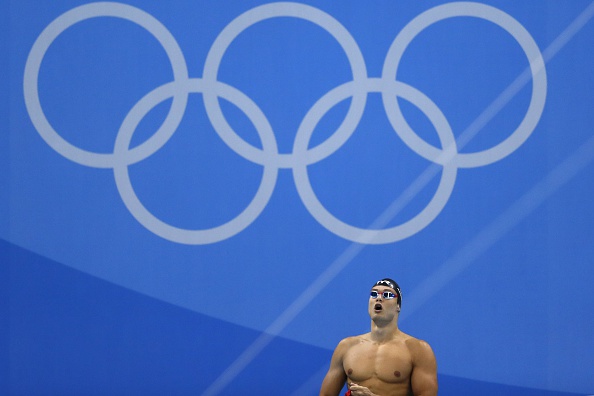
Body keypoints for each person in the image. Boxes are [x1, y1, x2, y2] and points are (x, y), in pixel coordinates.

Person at [319, 278, 438, 396]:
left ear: (398, 306)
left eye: (387, 295)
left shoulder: (418, 350)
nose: (379, 298)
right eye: (374, 294)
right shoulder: (347, 346)